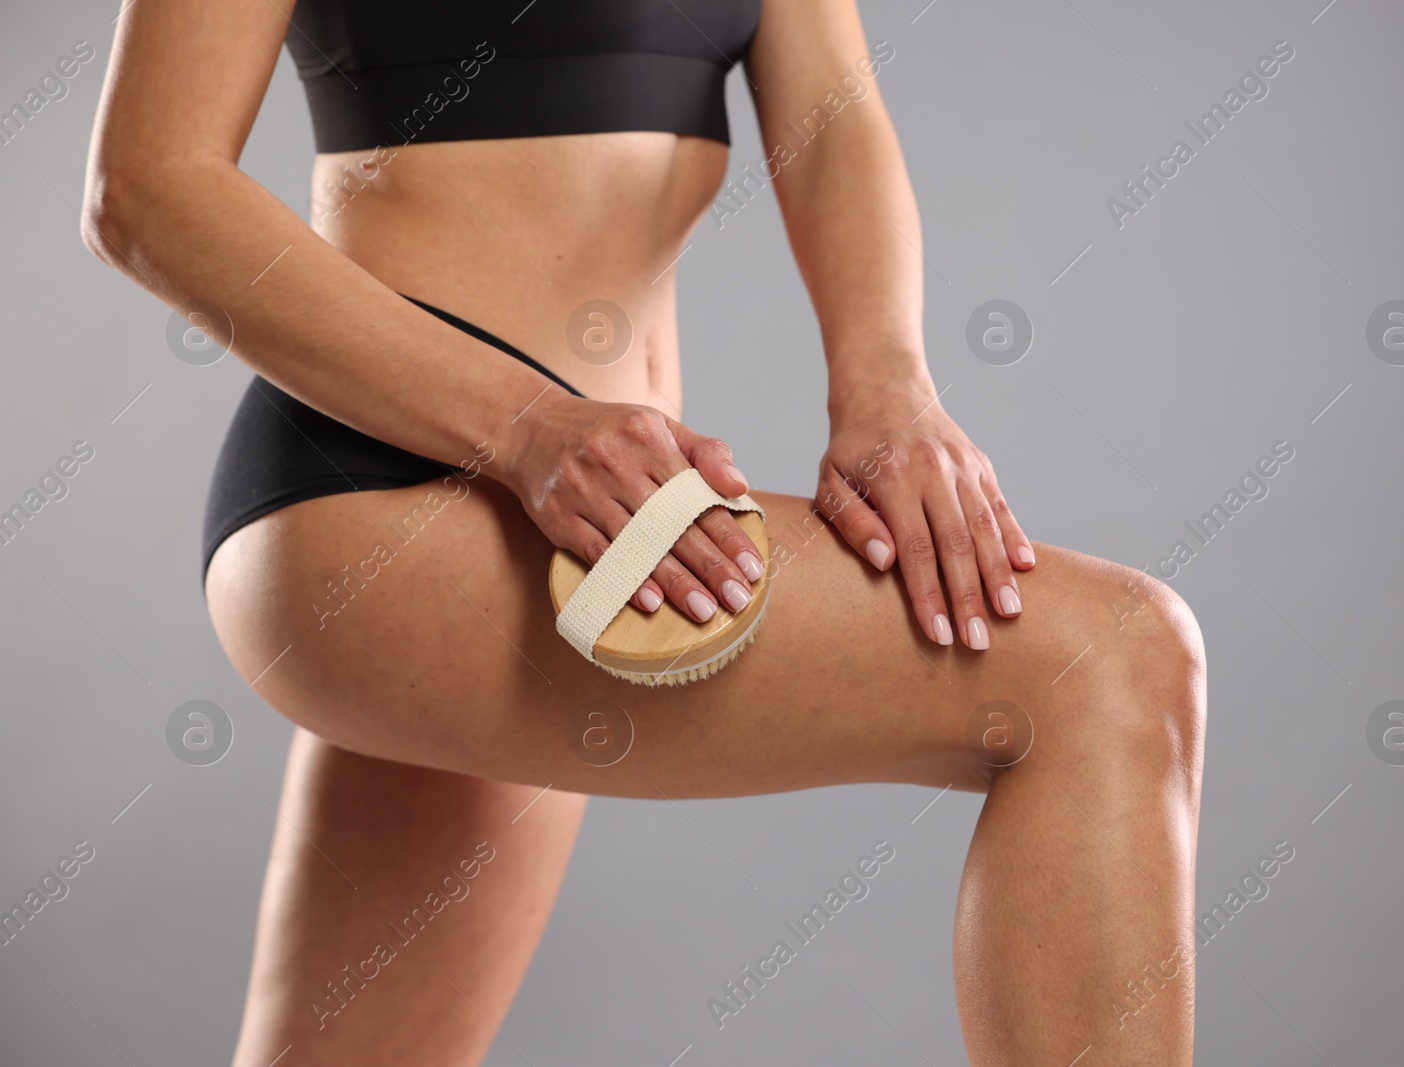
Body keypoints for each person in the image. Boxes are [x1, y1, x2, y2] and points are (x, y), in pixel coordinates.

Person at [81, 0, 1206, 1062]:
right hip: (397, 485)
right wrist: (526, 426)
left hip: (590, 524)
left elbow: (834, 116)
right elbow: (145, 184)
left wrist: (888, 387)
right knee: (1104, 659)